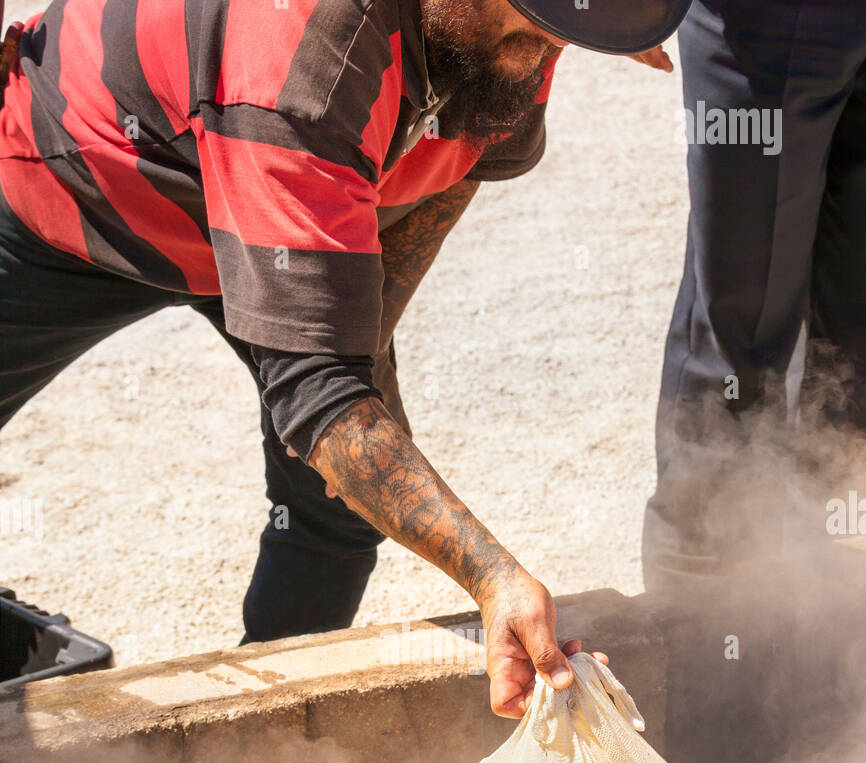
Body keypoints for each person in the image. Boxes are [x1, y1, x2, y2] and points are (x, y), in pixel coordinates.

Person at [0, 0, 688, 715]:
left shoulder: (521, 28)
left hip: (290, 206)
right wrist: (492, 578)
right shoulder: (303, 51)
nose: (545, 46)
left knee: (340, 497)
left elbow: (456, 166)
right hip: (86, 192)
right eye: (527, 19)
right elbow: (319, 388)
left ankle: (259, 729)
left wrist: (357, 358)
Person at [645, 0, 866, 590]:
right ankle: (708, 606)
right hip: (765, 20)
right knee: (740, 324)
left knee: (856, 334)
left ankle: (832, 604)